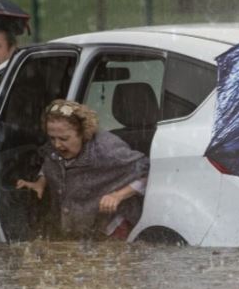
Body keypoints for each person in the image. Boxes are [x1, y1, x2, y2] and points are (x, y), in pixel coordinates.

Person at [16, 100, 149, 240]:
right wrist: (41, 182)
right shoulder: (53, 148)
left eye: (64, 138)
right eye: (52, 138)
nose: (57, 144)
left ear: (83, 132)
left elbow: (149, 171)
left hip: (112, 226)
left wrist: (118, 195)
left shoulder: (106, 148)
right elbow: (52, 161)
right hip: (80, 227)